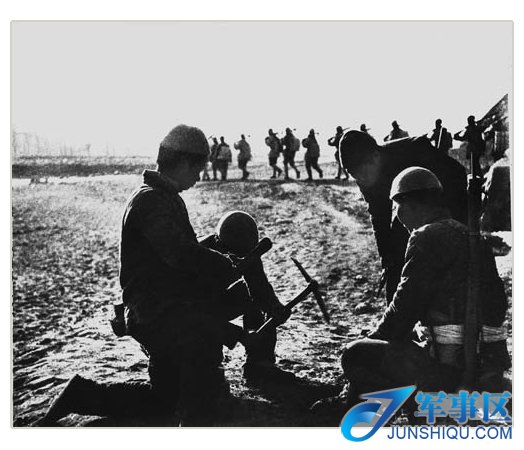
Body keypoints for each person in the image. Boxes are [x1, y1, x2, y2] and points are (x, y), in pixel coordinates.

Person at [37, 125, 266, 427]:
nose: (198, 177)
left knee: (163, 400)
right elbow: (178, 254)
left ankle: (81, 395)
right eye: (197, 169)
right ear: (183, 163)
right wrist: (226, 267)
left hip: (158, 307)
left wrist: (211, 248)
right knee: (203, 380)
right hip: (157, 313)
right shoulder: (153, 200)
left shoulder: (160, 196)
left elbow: (174, 253)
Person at [312, 167, 510, 418]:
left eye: (397, 207)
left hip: (446, 369)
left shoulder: (425, 236)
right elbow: (496, 305)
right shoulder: (472, 237)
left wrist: (375, 336)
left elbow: (403, 311)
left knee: (356, 354)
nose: (399, 217)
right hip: (483, 364)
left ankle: (370, 416)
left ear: (409, 203)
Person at [339, 130, 467, 304]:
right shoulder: (364, 175)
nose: (361, 180)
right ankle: (395, 315)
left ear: (376, 156)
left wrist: (446, 222)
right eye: (355, 176)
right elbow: (378, 216)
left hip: (448, 209)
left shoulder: (415, 150)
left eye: (363, 173)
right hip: (411, 215)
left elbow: (458, 174)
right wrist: (386, 257)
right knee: (395, 263)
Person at [199, 211, 295, 383]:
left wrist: (275, 308)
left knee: (254, 300)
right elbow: (195, 314)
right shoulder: (200, 255)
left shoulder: (248, 253)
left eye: (243, 255)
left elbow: (261, 289)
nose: (240, 260)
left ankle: (260, 365)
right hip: (193, 314)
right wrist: (239, 335)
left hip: (215, 304)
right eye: (234, 256)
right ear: (220, 245)